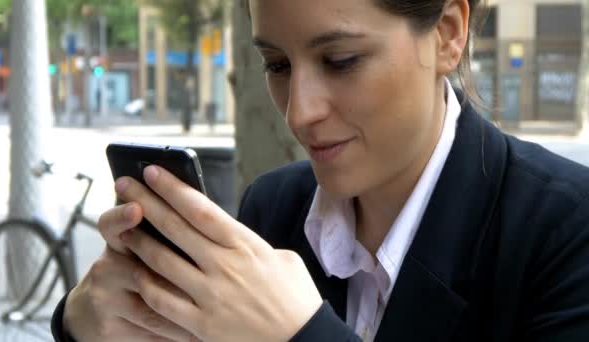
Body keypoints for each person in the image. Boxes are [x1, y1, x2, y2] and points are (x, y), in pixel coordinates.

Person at [52, 0, 589, 341]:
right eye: (277, 65)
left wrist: (300, 334)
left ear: (448, 33)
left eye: (341, 60)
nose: (298, 111)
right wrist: (91, 323)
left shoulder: (564, 229)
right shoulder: (272, 209)